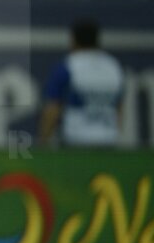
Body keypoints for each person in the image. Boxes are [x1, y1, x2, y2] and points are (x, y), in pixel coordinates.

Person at [38, 19, 124, 147]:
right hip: (108, 139)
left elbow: (53, 107)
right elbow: (119, 107)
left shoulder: (68, 66)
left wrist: (44, 140)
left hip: (75, 140)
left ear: (73, 40)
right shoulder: (113, 66)